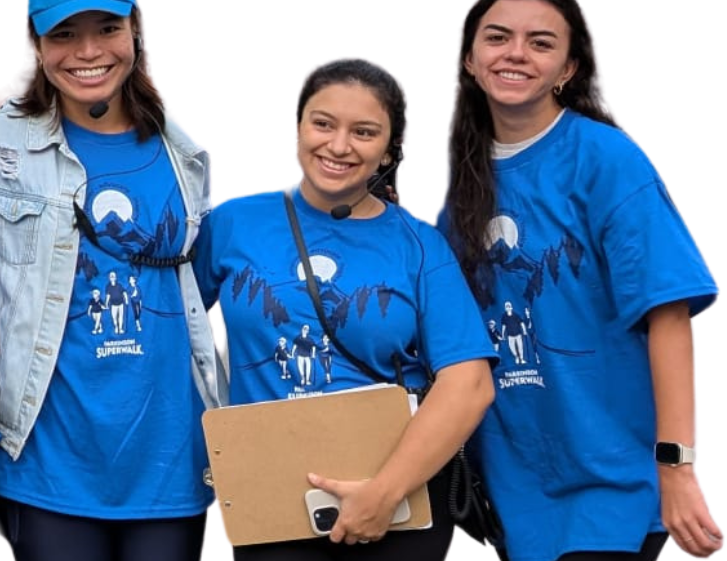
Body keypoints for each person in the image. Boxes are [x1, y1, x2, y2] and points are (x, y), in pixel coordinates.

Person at [0, 0, 229, 559]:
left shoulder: (185, 153)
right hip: (48, 465)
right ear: (37, 46)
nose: (89, 52)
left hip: (170, 464)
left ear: (136, 30)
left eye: (107, 29)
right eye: (64, 34)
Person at [436, 0, 725, 561]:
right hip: (515, 487)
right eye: (498, 37)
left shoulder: (606, 159)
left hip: (610, 484)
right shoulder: (462, 186)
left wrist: (677, 469)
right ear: (469, 57)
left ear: (568, 68)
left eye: (541, 42)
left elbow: (667, 313)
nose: (516, 53)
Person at [190, 55, 498, 560]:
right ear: (296, 129)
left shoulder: (418, 245)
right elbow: (172, 325)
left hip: (398, 503)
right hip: (269, 497)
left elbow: (469, 383)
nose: (338, 145)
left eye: (364, 132)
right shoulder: (232, 224)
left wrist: (384, 493)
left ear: (387, 153)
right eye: (323, 124)